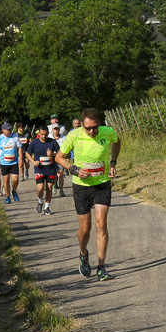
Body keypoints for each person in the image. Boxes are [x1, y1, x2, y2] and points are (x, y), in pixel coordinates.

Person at [56, 108, 121, 281]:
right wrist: (74, 169)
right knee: (86, 229)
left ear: (99, 123)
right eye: (88, 128)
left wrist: (113, 162)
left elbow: (118, 142)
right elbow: (59, 158)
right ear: (82, 125)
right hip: (81, 187)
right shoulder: (74, 136)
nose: (91, 131)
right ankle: (83, 253)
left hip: (102, 184)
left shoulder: (108, 132)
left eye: (94, 127)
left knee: (101, 225)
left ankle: (101, 267)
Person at [27, 126, 61, 215]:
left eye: (45, 134)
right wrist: (33, 161)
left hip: (50, 169)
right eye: (42, 134)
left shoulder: (53, 142)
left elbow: (60, 154)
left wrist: (52, 154)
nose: (43, 136)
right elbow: (27, 153)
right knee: (40, 188)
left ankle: (47, 207)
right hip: (39, 169)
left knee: (49, 188)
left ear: (48, 133)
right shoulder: (34, 143)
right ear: (39, 134)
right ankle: (40, 201)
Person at [0, 122, 23, 203]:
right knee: (6, 181)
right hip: (4, 163)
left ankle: (14, 191)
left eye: (10, 129)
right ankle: (7, 196)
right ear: (3, 130)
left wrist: (21, 159)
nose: (9, 131)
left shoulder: (15, 136)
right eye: (7, 130)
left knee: (15, 179)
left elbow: (20, 147)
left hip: (14, 162)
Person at [51, 126, 68, 197]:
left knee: (60, 174)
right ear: (52, 130)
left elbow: (67, 148)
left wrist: (67, 157)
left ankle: (61, 190)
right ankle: (54, 185)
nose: (56, 131)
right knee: (54, 174)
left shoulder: (63, 138)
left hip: (61, 158)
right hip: (52, 158)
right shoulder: (50, 138)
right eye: (55, 129)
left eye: (57, 129)